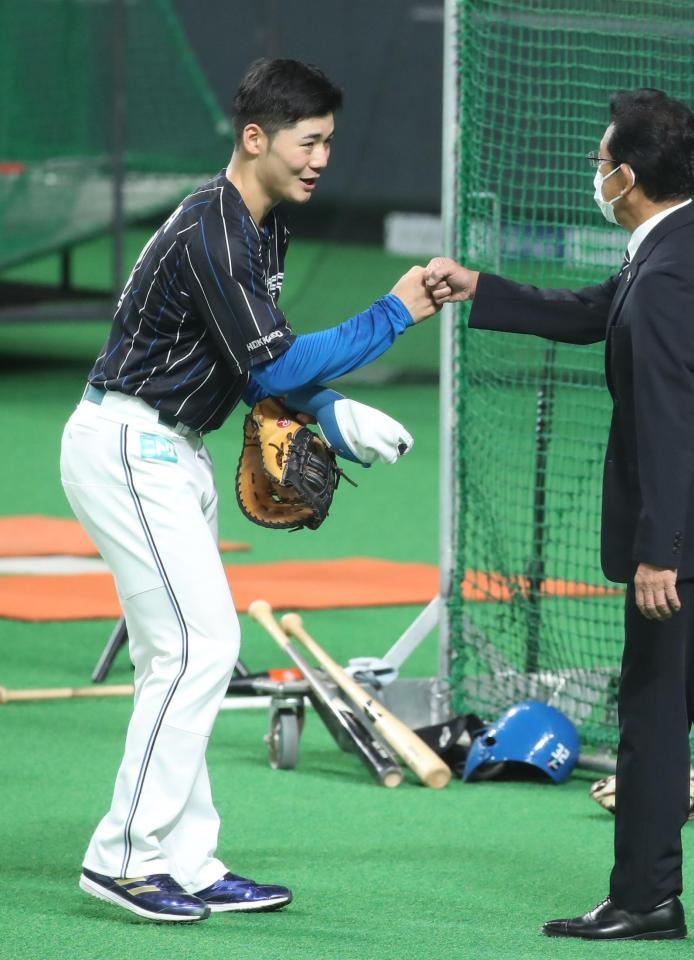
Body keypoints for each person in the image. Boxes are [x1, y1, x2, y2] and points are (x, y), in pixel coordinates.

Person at [425, 88, 694, 949]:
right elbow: (594, 311)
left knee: (660, 711)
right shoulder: (679, 251)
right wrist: (482, 289)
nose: (593, 171)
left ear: (629, 176)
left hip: (693, 548)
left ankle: (652, 897)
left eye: (599, 160)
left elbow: (667, 425)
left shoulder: (666, 274)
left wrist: (661, 554)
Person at [60, 57, 437, 923]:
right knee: (201, 648)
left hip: (170, 450)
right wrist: (394, 312)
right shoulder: (215, 230)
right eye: (308, 143)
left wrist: (333, 412)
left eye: (330, 144)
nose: (321, 160)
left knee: (180, 655)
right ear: (256, 138)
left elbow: (260, 364)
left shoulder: (260, 228)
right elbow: (273, 362)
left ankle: (185, 860)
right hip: (126, 445)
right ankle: (120, 856)